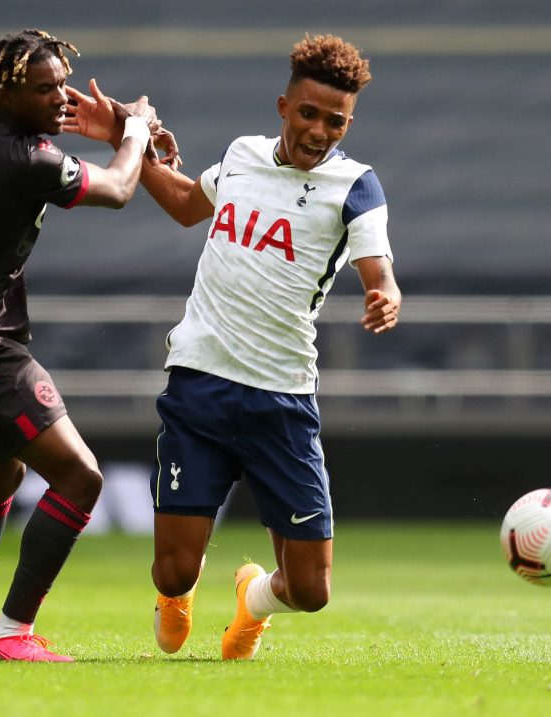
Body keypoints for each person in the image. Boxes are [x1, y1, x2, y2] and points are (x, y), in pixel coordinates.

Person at [65, 33, 401, 659]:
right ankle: (175, 596)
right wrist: (123, 140)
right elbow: (188, 206)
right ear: (283, 107)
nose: (320, 131)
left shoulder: (356, 186)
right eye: (309, 114)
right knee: (173, 572)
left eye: (336, 121)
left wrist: (385, 294)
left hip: (283, 398)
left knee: (311, 590)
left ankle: (252, 602)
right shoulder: (243, 155)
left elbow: (378, 268)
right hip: (202, 382)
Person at [0, 28, 161, 662]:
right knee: (80, 477)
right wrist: (134, 134)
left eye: (62, 84)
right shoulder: (22, 162)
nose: (60, 98)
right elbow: (120, 190)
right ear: (9, 92)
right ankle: (13, 634)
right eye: (44, 90)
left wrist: (100, 122)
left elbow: (43, 123)